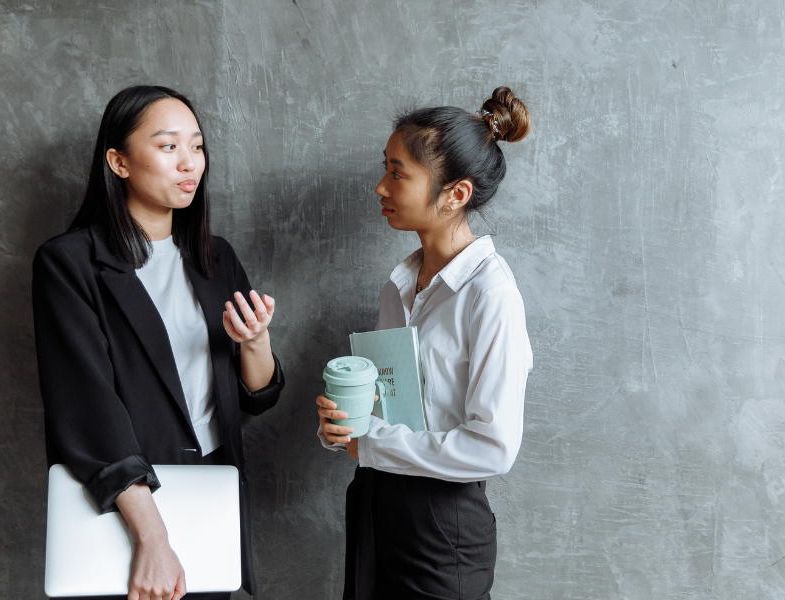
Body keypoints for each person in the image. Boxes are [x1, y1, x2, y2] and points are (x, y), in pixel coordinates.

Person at [33, 85, 285, 600]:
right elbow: (86, 408)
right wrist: (152, 535)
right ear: (118, 161)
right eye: (168, 146)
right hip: (128, 501)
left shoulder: (215, 258)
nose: (189, 163)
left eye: (196, 146)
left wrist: (256, 342)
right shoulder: (69, 263)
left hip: (212, 488)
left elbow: (256, 397)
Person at [316, 86, 534, 600]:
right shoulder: (401, 283)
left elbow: (494, 446)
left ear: (455, 194)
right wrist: (340, 425)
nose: (380, 187)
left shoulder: (491, 294)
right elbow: (389, 405)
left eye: (397, 173)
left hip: (442, 531)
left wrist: (368, 443)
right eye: (384, 168)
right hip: (375, 511)